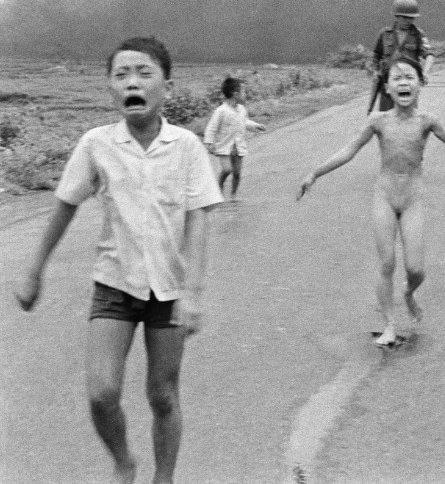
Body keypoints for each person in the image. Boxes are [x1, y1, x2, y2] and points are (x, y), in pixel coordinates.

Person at [14, 36, 223, 484]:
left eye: (144, 73)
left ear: (167, 84)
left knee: (163, 396)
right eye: (121, 74)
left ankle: (163, 478)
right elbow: (65, 205)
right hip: (115, 285)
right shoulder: (96, 144)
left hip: (168, 290)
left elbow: (200, 220)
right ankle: (124, 460)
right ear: (109, 87)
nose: (133, 82)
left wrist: (193, 292)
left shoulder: (186, 146)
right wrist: (35, 268)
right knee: (101, 393)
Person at [298, 59, 445, 345]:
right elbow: (349, 150)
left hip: (412, 199)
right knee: (386, 263)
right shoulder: (378, 121)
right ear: (387, 87)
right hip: (384, 197)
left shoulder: (427, 121)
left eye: (410, 77)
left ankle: (408, 293)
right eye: (397, 78)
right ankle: (388, 325)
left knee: (416, 269)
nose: (404, 82)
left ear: (420, 85)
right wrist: (315, 174)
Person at [365, 0, 435, 113]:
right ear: (396, 16)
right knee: (386, 118)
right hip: (388, 84)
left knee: (409, 117)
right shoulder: (384, 34)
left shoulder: (418, 34)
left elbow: (429, 55)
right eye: (405, 17)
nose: (409, 21)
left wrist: (425, 73)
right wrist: (375, 72)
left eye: (411, 18)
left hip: (408, 84)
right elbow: (376, 56)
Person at [203, 76, 267, 201]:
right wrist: (209, 142)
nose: (245, 95)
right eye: (243, 92)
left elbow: (244, 122)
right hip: (224, 146)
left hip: (238, 146)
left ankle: (233, 194)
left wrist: (256, 125)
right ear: (235, 94)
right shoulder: (221, 111)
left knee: (237, 173)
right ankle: (218, 188)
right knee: (227, 169)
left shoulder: (242, 110)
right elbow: (212, 127)